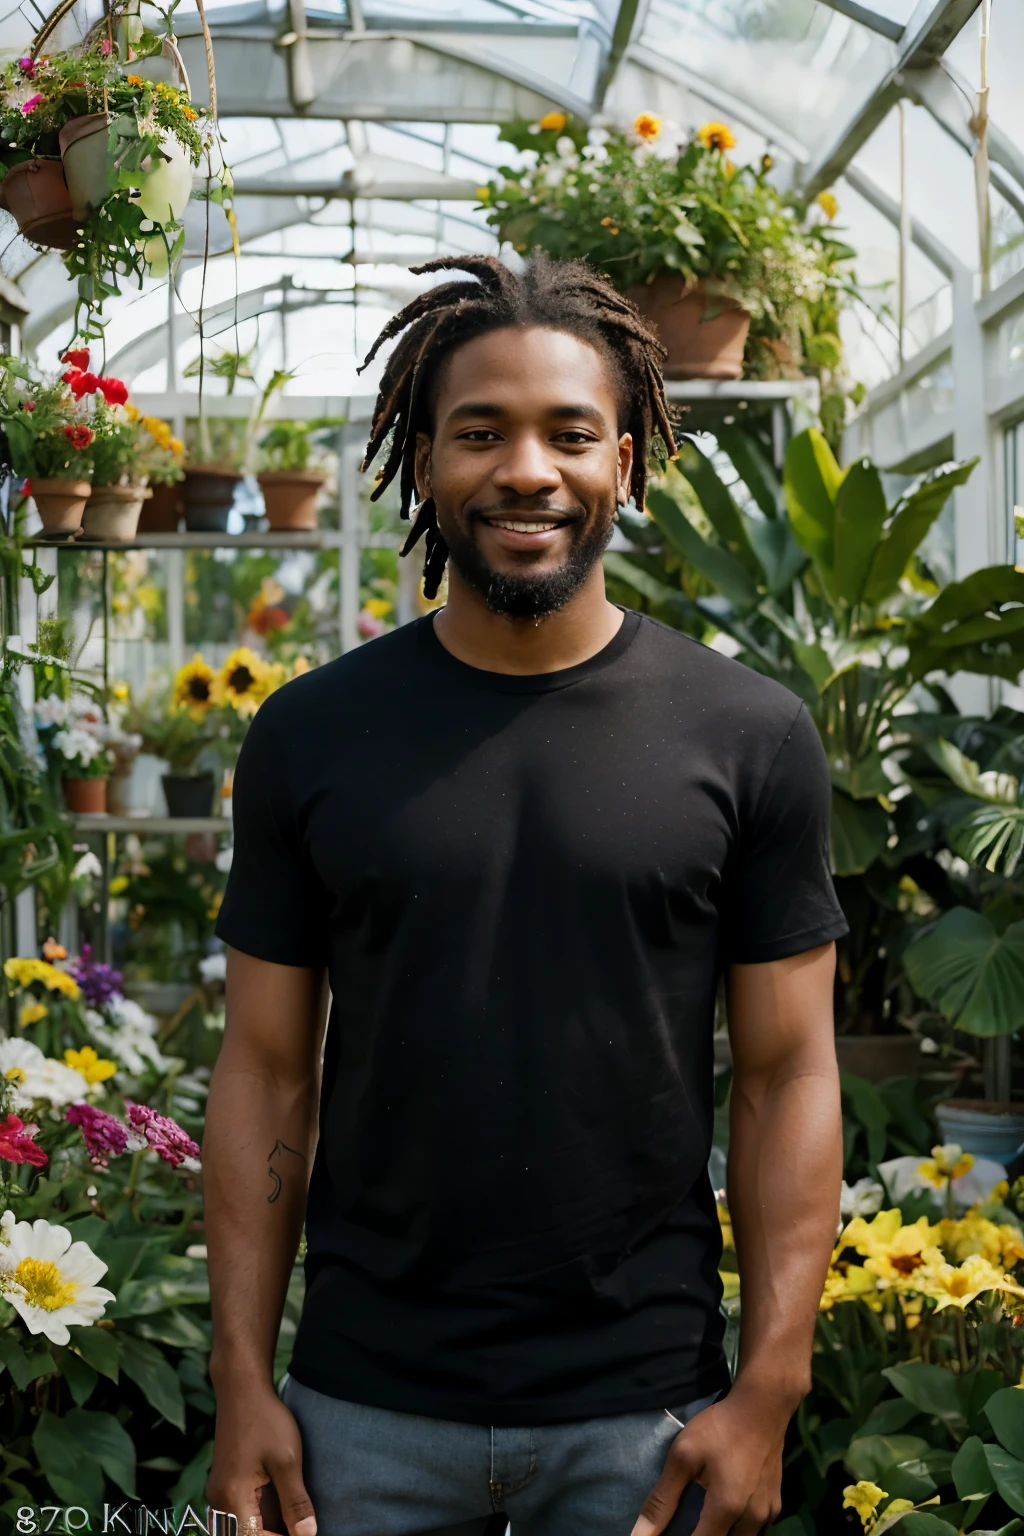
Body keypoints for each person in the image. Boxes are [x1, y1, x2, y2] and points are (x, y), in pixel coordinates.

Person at [205, 253, 846, 1536]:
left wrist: (771, 1381)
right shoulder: (309, 736)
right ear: (421, 456)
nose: (526, 472)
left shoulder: (748, 735)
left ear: (625, 458)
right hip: (358, 1416)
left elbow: (790, 1074)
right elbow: (267, 1069)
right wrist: (238, 1383)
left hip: (645, 1423)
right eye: (478, 433)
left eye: (568, 433)